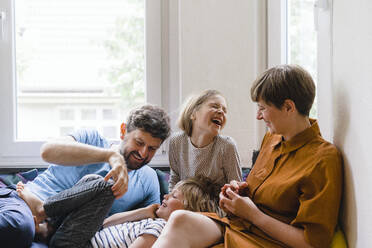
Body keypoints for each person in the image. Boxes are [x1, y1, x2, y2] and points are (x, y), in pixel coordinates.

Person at [152, 65, 343, 248]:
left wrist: (253, 215)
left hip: (265, 240)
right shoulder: (272, 139)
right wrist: (238, 192)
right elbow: (255, 192)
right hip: (238, 225)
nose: (259, 116)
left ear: (288, 107)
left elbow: (312, 243)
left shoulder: (323, 159)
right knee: (179, 218)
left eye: (263, 108)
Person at [0, 104, 171, 248]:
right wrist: (109, 156)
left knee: (102, 186)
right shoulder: (92, 139)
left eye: (152, 149)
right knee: (18, 228)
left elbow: (149, 226)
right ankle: (42, 210)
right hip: (24, 204)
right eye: (139, 142)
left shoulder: (148, 179)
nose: (142, 153)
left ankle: (45, 223)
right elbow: (47, 151)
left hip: (65, 233)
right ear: (123, 130)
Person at [17, 175, 222, 248]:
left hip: (80, 245)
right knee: (91, 181)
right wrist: (143, 211)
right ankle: (47, 229)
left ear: (190, 211)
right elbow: (105, 223)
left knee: (104, 186)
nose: (165, 197)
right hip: (81, 238)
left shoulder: (161, 230)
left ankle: (43, 209)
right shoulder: (150, 220)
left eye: (174, 196)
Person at [168, 89, 242, 191]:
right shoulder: (176, 141)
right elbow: (175, 178)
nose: (221, 112)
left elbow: (236, 188)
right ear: (193, 114)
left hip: (216, 205)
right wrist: (170, 201)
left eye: (225, 110)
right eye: (214, 106)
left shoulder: (227, 146)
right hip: (183, 203)